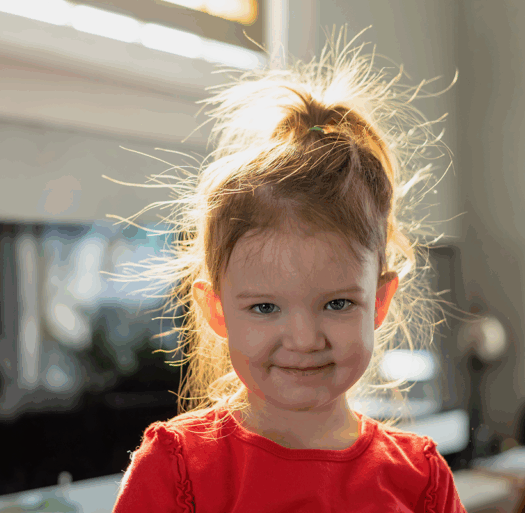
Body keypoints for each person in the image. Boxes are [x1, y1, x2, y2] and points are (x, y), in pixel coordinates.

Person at [105, 25, 464, 513]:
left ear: (379, 301)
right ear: (216, 309)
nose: (303, 338)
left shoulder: (420, 480)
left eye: (337, 303)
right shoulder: (177, 467)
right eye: (265, 306)